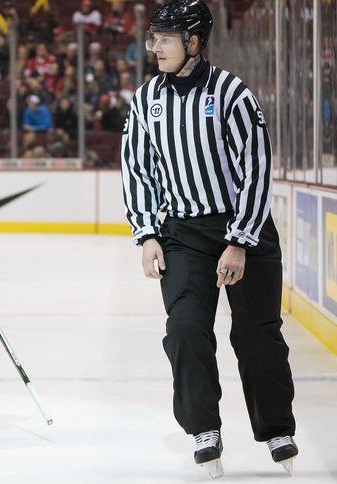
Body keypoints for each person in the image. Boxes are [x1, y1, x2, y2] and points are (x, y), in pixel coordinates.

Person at [120, 0, 297, 478]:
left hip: (246, 229)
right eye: (153, 36)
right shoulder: (145, 99)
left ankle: (277, 426)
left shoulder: (232, 94)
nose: (153, 45)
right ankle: (204, 428)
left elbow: (256, 169)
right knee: (184, 330)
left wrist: (240, 240)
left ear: (195, 43)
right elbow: (137, 169)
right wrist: (146, 233)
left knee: (256, 333)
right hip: (181, 234)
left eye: (165, 37)